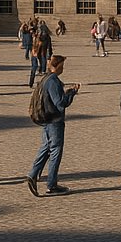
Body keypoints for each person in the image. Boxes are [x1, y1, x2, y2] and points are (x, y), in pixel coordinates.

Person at [26, 55, 79, 196]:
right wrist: (71, 93)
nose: (64, 68)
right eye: (62, 65)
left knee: (46, 148)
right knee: (55, 151)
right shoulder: (53, 81)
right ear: (58, 66)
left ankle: (32, 175)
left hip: (46, 120)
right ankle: (52, 184)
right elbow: (60, 104)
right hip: (54, 121)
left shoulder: (46, 78)